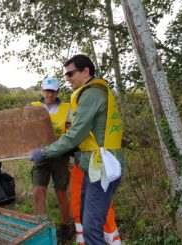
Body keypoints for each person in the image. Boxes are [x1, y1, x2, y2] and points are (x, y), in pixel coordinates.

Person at [30, 54, 126, 244]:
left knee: (91, 227)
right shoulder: (95, 91)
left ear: (86, 71)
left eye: (71, 73)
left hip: (101, 166)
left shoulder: (91, 93)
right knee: (85, 217)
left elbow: (75, 134)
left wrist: (45, 152)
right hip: (94, 164)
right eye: (66, 75)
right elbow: (91, 135)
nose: (67, 79)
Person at [31, 77, 73, 244]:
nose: (50, 94)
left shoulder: (67, 108)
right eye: (47, 90)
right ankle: (41, 227)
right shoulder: (33, 108)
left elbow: (70, 132)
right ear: (42, 91)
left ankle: (66, 227)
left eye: (53, 91)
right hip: (40, 156)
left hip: (60, 156)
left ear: (57, 92)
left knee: (61, 192)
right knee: (38, 191)